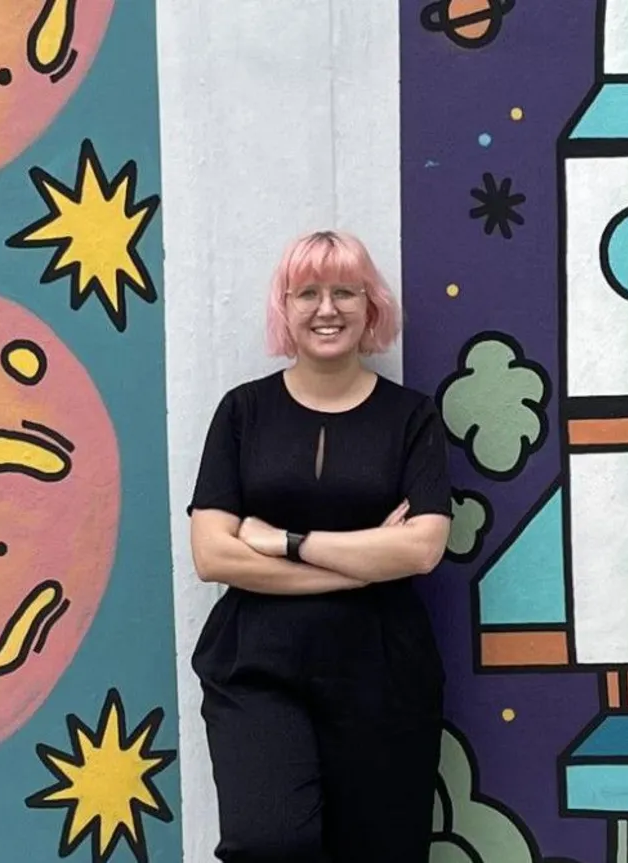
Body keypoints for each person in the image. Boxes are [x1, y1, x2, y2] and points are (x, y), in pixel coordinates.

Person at [186, 229, 453, 862]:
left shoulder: (412, 419)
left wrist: (284, 542)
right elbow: (213, 556)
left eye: (344, 292)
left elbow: (420, 551)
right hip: (257, 667)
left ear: (371, 308)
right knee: (267, 842)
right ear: (286, 308)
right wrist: (362, 566)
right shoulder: (242, 413)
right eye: (307, 293)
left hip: (383, 671)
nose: (326, 308)